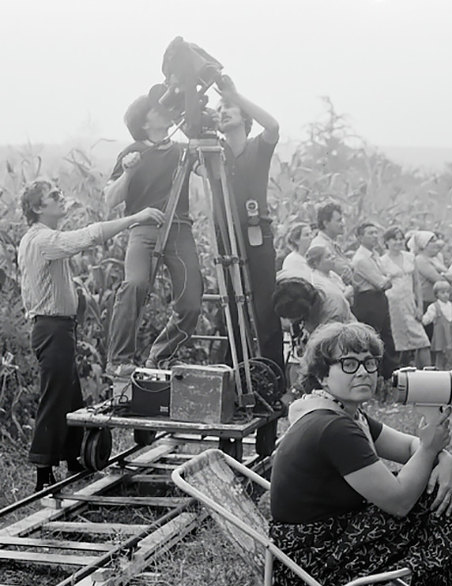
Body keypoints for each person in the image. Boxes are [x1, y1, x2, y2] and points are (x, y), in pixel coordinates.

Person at [269, 321, 452, 586]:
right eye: (348, 364)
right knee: (429, 500)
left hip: (308, 547)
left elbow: (409, 448)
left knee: (430, 492)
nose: (362, 372)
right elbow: (398, 501)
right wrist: (432, 450)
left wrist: (444, 458)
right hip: (312, 562)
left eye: (369, 362)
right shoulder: (333, 428)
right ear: (323, 375)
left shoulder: (341, 412)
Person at [18, 179, 165, 491]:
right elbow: (89, 237)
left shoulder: (40, 237)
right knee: (55, 398)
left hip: (59, 328)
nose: (60, 198)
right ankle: (43, 473)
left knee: (70, 395)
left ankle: (73, 461)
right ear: (37, 208)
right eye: (52, 196)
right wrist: (134, 218)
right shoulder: (42, 240)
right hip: (51, 328)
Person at [104, 95, 204, 376]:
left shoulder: (184, 151)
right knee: (134, 285)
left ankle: (160, 356)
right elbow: (110, 199)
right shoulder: (133, 152)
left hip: (180, 227)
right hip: (143, 228)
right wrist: (128, 172)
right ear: (144, 121)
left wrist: (202, 144)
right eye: (156, 108)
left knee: (191, 301)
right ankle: (118, 360)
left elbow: (210, 174)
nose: (164, 110)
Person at [215, 76, 284, 370]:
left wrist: (235, 95)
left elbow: (273, 126)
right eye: (218, 109)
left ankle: (271, 374)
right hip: (226, 234)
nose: (222, 111)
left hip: (257, 234)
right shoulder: (214, 152)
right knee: (231, 304)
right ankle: (236, 371)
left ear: (244, 116)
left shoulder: (258, 147)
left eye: (228, 107)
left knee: (264, 306)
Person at [350, 222, 398, 379]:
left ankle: (389, 378)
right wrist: (389, 278)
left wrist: (388, 278)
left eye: (376, 232)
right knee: (373, 339)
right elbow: (382, 282)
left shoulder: (375, 256)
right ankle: (375, 379)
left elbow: (386, 279)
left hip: (379, 300)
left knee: (387, 338)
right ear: (359, 237)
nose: (374, 236)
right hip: (368, 301)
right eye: (370, 233)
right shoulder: (361, 259)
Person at [380, 226, 431, 368]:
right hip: (392, 305)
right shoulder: (382, 261)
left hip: (410, 303)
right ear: (387, 242)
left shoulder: (410, 257)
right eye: (394, 239)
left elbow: (417, 285)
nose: (398, 242)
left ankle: (428, 374)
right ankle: (401, 377)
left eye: (400, 238)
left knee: (422, 341)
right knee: (399, 344)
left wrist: (420, 307)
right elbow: (381, 285)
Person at [306, 246, 355, 331]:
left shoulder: (333, 275)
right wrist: (346, 294)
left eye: (332, 255)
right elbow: (328, 305)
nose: (333, 257)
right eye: (328, 256)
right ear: (316, 263)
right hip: (329, 325)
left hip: (345, 319)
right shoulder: (316, 282)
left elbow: (350, 302)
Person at [412, 230, 449, 341]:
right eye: (431, 241)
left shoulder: (435, 258)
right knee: (429, 335)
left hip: (437, 301)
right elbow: (439, 279)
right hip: (426, 302)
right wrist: (446, 274)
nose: (436, 243)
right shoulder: (420, 260)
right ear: (424, 244)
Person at [421, 280, 452, 369]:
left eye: (448, 292)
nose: (446, 295)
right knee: (440, 357)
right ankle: (439, 371)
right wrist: (422, 320)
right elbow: (427, 318)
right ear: (437, 294)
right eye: (443, 292)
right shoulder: (434, 307)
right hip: (441, 336)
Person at [309, 202, 353, 284]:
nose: (343, 224)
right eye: (339, 220)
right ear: (326, 223)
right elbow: (319, 277)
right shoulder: (319, 245)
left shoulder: (333, 244)